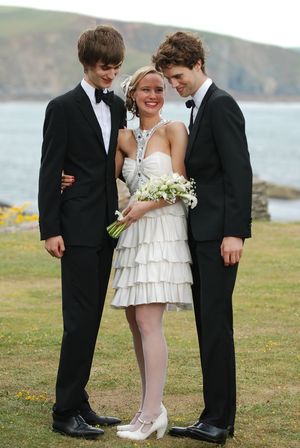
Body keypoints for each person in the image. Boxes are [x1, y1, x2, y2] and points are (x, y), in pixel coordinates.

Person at [62, 65, 194, 441]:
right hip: (133, 236)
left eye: (159, 89)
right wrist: (62, 174)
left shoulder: (174, 130)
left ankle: (152, 412)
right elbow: (100, 176)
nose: (153, 95)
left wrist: (145, 207)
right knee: (136, 324)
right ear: (133, 94)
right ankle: (146, 409)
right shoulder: (124, 137)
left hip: (162, 233)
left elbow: (181, 182)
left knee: (151, 323)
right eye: (146, 90)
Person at [152, 31, 253, 445]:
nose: (175, 85)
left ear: (197, 64)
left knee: (215, 325)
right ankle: (215, 416)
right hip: (201, 234)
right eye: (169, 79)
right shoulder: (199, 109)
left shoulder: (222, 104)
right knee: (207, 324)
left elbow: (239, 172)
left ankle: (217, 420)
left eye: (177, 76)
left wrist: (235, 233)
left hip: (219, 238)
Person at [38, 25, 126, 439]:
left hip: (106, 227)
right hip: (73, 230)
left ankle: (79, 400)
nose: (110, 75)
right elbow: (49, 169)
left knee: (91, 319)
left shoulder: (119, 105)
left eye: (115, 67)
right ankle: (63, 411)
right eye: (104, 68)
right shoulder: (62, 107)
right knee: (77, 320)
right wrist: (50, 228)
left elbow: (114, 162)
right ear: (87, 63)